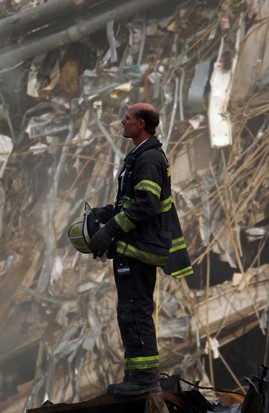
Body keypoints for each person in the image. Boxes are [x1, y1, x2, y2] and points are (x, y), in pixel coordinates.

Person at [88, 102, 193, 396]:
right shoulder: (139, 156)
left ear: (141, 125)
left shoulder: (148, 159)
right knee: (130, 312)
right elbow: (130, 203)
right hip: (132, 249)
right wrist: (105, 214)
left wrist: (108, 231)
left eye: (128, 118)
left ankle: (144, 379)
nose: (122, 121)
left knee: (135, 311)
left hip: (138, 250)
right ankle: (136, 374)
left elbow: (145, 206)